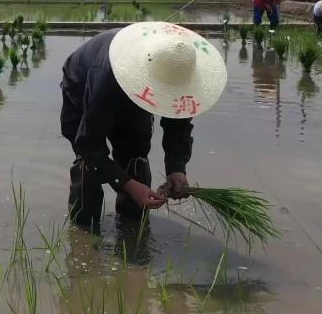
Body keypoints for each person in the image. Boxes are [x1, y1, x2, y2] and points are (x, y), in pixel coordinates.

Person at [61, 22, 227, 231]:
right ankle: (84, 229)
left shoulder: (178, 71)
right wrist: (128, 184)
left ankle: (131, 226)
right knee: (89, 162)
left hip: (132, 86)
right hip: (84, 87)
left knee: (135, 155)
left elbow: (179, 124)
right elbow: (89, 143)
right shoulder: (105, 75)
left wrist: (176, 168)